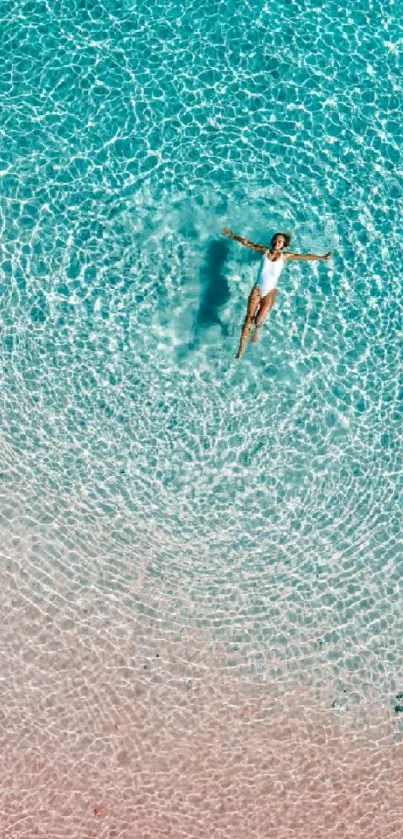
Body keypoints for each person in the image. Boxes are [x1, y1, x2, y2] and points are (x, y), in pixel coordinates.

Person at [222, 227, 331, 359]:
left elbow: (303, 257)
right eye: (275, 240)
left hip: (270, 292)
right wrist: (232, 235)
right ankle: (240, 350)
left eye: (280, 241)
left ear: (284, 245)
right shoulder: (264, 251)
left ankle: (257, 330)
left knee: (258, 320)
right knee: (248, 319)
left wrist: (322, 257)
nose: (276, 243)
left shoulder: (285, 256)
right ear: (272, 241)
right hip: (257, 289)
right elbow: (247, 243)